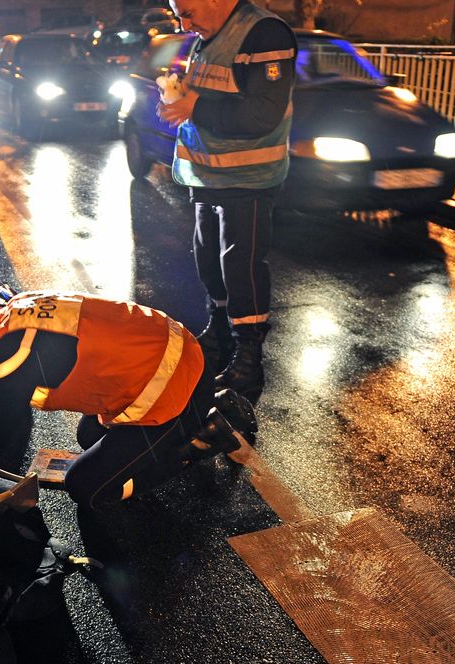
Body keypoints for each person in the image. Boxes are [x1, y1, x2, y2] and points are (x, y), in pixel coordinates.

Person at [0, 292, 257, 511]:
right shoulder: (14, 311)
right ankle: (206, 406)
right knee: (88, 437)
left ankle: (199, 441)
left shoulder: (15, 367)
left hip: (171, 391)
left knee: (87, 488)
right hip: (180, 350)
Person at [158, 0, 297, 403]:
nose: (184, 22)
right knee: (208, 259)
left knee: (241, 265)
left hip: (248, 177)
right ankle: (219, 334)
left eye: (186, 11)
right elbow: (216, 93)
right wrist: (180, 99)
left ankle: (248, 360)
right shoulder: (210, 35)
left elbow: (262, 114)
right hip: (209, 175)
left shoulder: (264, 33)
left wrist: (195, 104)